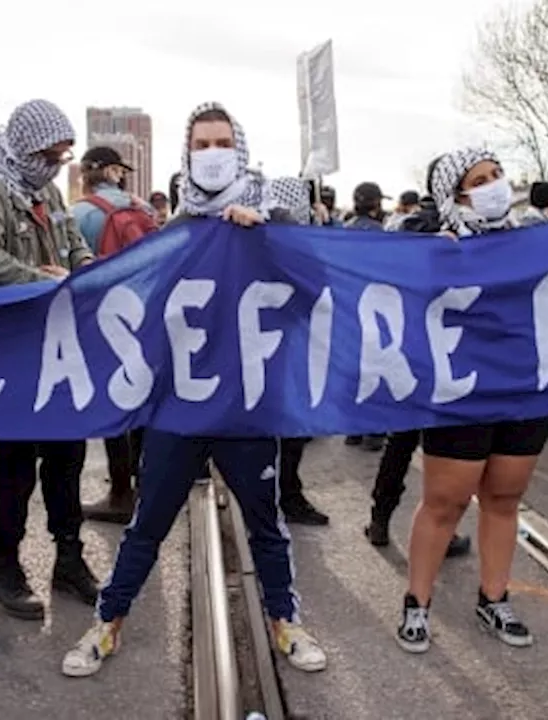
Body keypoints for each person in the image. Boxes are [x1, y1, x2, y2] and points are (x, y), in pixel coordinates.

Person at [63, 102, 327, 678]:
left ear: (242, 147)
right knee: (148, 525)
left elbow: (315, 291)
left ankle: (285, 618)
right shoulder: (174, 231)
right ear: (187, 155)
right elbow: (135, 301)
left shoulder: (271, 221)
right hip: (178, 408)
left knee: (266, 523)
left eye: (222, 142)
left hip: (247, 407)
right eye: (202, 144)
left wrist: (270, 240)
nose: (213, 153)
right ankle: (109, 621)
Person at [398, 143, 548, 654]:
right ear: (454, 195)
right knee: (445, 501)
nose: (494, 186)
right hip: (459, 391)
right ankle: (417, 604)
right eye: (479, 178)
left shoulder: (530, 239)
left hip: (523, 389)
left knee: (504, 498)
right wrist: (429, 258)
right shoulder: (432, 245)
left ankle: (494, 597)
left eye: (497, 174)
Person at [0, 99, 99, 618]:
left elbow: (74, 246)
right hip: (11, 349)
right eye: (49, 154)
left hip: (59, 348)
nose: (56, 164)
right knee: (15, 463)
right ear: (24, 146)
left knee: (67, 458)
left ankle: (68, 557)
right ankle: (8, 566)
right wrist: (45, 281)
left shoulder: (49, 191)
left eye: (63, 155)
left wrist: (87, 274)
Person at [366, 155, 471, 558]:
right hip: (448, 356)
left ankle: (381, 518)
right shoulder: (448, 230)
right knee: (443, 451)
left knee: (401, 442)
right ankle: (441, 529)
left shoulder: (408, 226)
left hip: (411, 355)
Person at [70, 145, 157, 524]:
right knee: (139, 397)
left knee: (110, 401)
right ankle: (145, 482)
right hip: (145, 314)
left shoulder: (80, 213)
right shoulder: (143, 211)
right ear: (112, 172)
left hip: (101, 318)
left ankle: (121, 490)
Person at [260, 176, 330, 526]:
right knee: (290, 430)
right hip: (288, 344)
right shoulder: (291, 236)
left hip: (261, 347)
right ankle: (287, 494)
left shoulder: (258, 229)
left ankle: (274, 494)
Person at [343, 181, 391, 452]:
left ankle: (353, 429)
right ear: (376, 204)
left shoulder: (342, 232)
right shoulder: (381, 234)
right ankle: (374, 431)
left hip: (348, 309)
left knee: (352, 368)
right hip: (375, 307)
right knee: (375, 368)